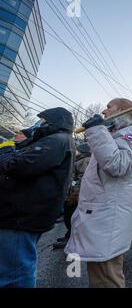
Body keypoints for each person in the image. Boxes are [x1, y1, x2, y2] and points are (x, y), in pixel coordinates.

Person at [65, 98, 132, 288]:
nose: (104, 112)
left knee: (106, 277)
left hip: (108, 214)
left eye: (109, 107)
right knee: (100, 274)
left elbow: (117, 164)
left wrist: (97, 131)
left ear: (122, 109)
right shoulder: (119, 132)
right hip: (103, 213)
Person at [0, 108, 75, 288]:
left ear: (55, 121)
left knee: (16, 271)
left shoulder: (56, 141)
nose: (38, 124)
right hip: (21, 211)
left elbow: (20, 167)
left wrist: (6, 152)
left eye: (42, 121)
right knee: (11, 265)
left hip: (23, 214)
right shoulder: (53, 140)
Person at [53, 142, 91, 249]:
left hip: (76, 195)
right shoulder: (80, 160)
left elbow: (82, 178)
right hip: (73, 193)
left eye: (78, 150)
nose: (76, 151)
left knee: (71, 217)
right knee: (69, 217)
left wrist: (75, 193)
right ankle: (69, 236)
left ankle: (72, 239)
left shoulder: (85, 161)